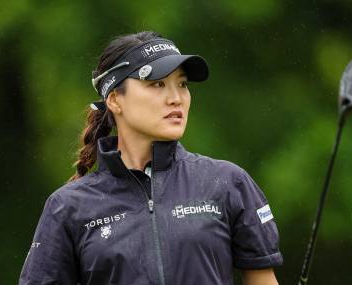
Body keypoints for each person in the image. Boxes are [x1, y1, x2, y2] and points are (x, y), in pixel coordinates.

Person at [19, 31, 283, 285]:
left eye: (182, 84)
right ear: (114, 99)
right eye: (157, 84)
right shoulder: (67, 207)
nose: (176, 98)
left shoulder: (227, 183)